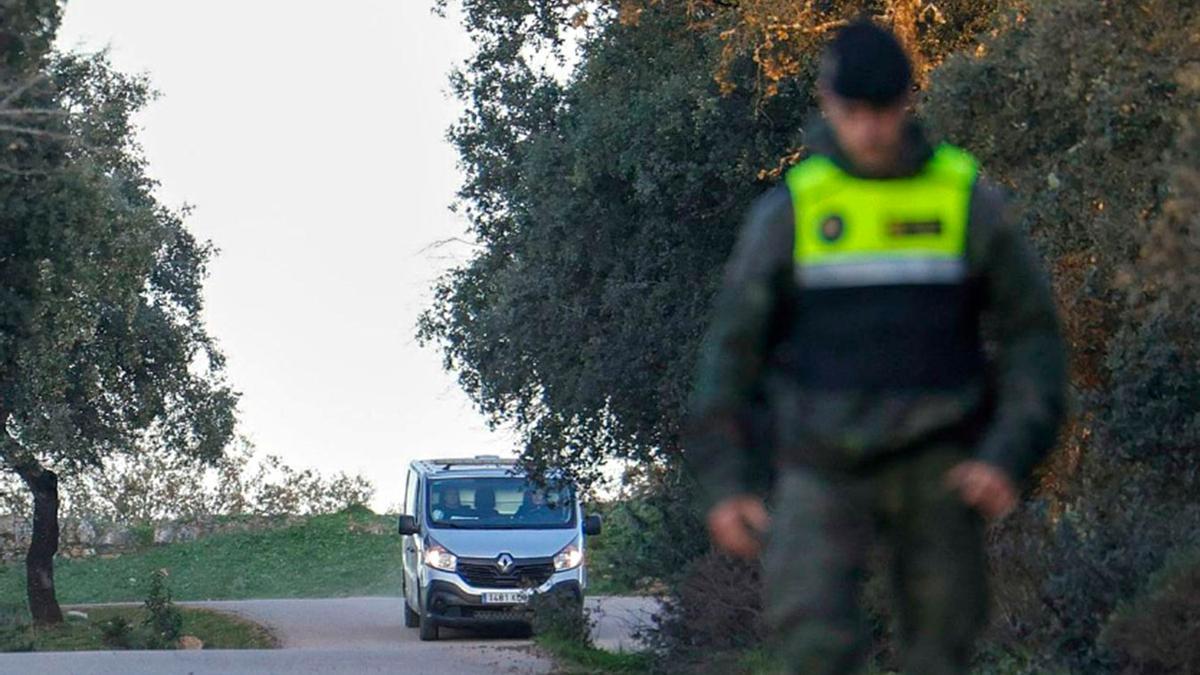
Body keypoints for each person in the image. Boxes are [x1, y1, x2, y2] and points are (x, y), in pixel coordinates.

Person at [685, 19, 1067, 675]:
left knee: (941, 648)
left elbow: (1034, 335)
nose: (869, 131)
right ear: (828, 105)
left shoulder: (962, 199)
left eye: (883, 111)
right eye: (853, 112)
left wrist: (1008, 452)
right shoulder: (793, 213)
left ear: (908, 101)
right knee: (812, 644)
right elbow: (732, 352)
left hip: (938, 460)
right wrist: (727, 480)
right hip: (820, 461)